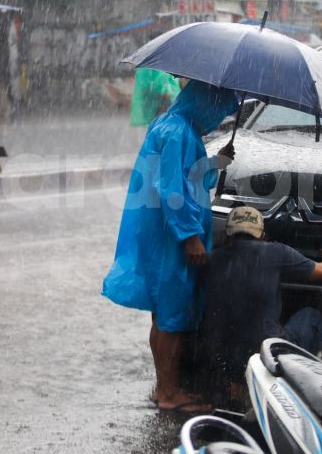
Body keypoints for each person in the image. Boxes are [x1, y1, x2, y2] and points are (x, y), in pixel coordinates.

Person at [102, 80, 239, 413]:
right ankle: (168, 392)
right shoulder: (179, 133)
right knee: (172, 318)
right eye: (217, 111)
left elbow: (189, 178)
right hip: (172, 239)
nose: (216, 119)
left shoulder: (170, 124)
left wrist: (215, 163)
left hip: (160, 235)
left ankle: (163, 386)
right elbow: (172, 190)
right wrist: (189, 236)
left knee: (162, 315)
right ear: (205, 104)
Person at [201, 206, 322, 403]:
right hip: (266, 357)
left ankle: (236, 384)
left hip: (222, 359)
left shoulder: (212, 258)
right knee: (311, 317)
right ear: (261, 234)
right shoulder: (276, 253)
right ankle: (300, 379)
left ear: (227, 234)